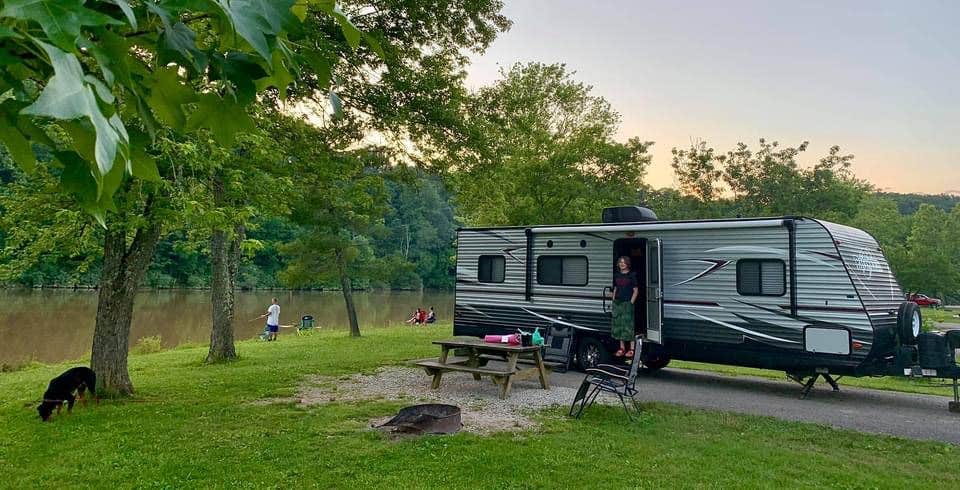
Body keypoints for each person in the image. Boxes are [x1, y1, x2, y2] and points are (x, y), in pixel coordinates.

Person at [611, 256, 639, 358]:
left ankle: (631, 349)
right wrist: (613, 300)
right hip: (617, 302)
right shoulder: (617, 275)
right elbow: (615, 288)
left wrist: (631, 303)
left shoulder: (632, 275)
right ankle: (622, 348)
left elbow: (636, 290)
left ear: (628, 264)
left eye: (624, 262)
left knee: (628, 325)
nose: (622, 264)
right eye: (620, 262)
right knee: (619, 325)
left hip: (627, 303)